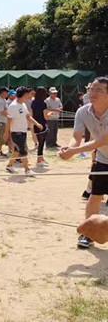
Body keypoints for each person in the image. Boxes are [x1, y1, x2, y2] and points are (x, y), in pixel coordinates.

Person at [58, 77, 108, 249]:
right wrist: (69, 149)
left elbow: (101, 140)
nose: (93, 93)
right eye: (91, 89)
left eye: (99, 90)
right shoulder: (82, 112)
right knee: (95, 196)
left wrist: (75, 151)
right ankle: (88, 234)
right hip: (103, 159)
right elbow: (76, 137)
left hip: (100, 148)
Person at [5, 87, 43, 176]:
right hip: (16, 132)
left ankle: (9, 165)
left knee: (17, 151)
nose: (29, 96)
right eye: (27, 95)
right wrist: (7, 133)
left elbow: (28, 116)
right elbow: (9, 120)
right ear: (23, 95)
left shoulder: (23, 104)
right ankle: (27, 170)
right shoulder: (13, 106)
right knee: (23, 151)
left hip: (23, 131)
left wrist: (37, 123)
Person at [30, 87, 51, 167]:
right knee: (41, 143)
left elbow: (32, 114)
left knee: (40, 143)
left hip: (36, 124)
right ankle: (39, 159)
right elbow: (46, 117)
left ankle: (41, 158)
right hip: (42, 125)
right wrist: (50, 114)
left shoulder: (33, 102)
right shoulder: (43, 103)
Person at [0, 87, 9, 157]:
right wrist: (10, 114)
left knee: (5, 137)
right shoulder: (0, 101)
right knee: (2, 137)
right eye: (6, 93)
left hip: (4, 121)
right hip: (1, 122)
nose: (7, 94)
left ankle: (4, 151)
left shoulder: (4, 100)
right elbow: (1, 111)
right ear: (2, 93)